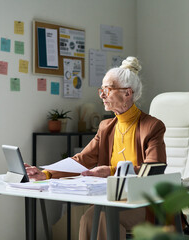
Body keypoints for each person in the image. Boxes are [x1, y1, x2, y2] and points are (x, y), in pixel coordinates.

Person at [25, 56, 166, 240]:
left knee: (99, 217)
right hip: (111, 200)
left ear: (127, 93)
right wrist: (45, 174)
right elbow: (82, 160)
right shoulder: (106, 127)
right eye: (102, 89)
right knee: (90, 217)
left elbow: (153, 170)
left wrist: (110, 171)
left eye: (108, 89)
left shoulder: (152, 126)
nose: (102, 95)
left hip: (145, 202)